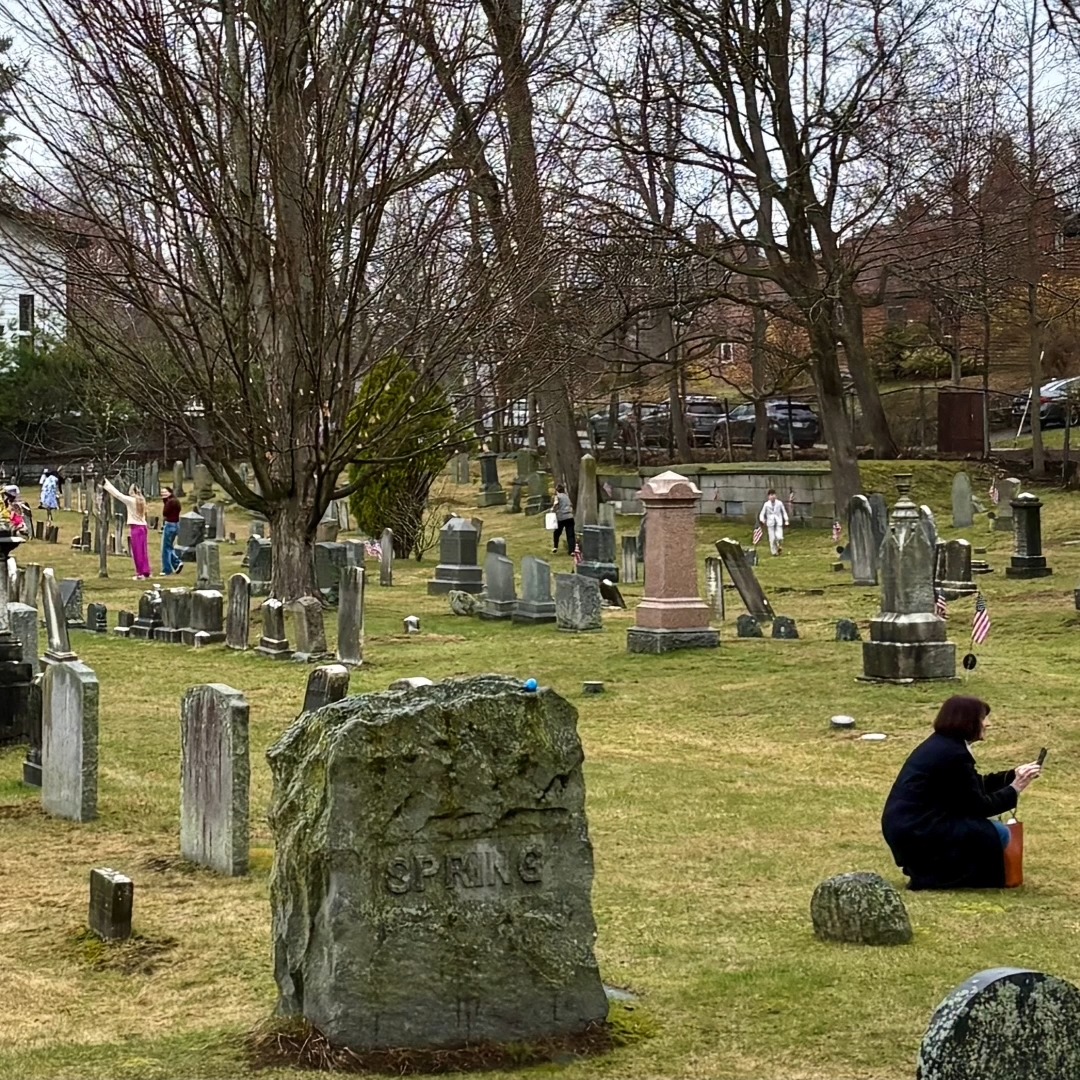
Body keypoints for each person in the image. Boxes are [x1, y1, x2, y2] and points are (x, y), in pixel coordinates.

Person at [881, 696, 1042, 890]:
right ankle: (940, 877)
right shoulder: (953, 753)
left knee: (987, 830)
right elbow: (979, 807)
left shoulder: (944, 746)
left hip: (909, 824)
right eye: (983, 718)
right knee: (998, 833)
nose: (988, 724)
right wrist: (1015, 788)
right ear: (967, 721)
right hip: (919, 829)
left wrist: (1013, 775)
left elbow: (971, 787)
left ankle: (932, 874)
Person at [103, 477, 152, 580]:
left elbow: (118, 495)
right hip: (143, 527)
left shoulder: (131, 500)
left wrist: (106, 484)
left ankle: (140, 573)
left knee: (137, 551)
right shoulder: (141, 500)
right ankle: (146, 571)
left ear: (133, 491)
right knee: (143, 550)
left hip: (136, 528)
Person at [758, 488, 789, 556]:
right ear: (768, 497)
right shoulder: (766, 504)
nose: (772, 497)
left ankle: (779, 546)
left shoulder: (779, 503)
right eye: (771, 495)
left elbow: (784, 512)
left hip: (778, 522)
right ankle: (774, 552)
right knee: (772, 539)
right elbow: (762, 514)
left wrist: (786, 520)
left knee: (779, 537)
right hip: (770, 523)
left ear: (776, 495)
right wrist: (762, 520)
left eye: (773, 495)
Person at [161, 485, 182, 575]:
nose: (163, 494)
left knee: (166, 548)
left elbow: (165, 513)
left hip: (170, 525)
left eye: (165, 492)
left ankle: (167, 569)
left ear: (170, 492)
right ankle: (176, 563)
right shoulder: (176, 501)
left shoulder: (169, 502)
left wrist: (165, 501)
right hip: (176, 525)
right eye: (162, 493)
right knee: (169, 546)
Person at [551, 483, 575, 555]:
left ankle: (555, 547)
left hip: (561, 517)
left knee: (557, 533)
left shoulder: (557, 497)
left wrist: (552, 510)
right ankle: (572, 551)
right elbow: (571, 505)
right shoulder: (567, 496)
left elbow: (556, 504)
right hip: (570, 517)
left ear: (557, 490)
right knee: (570, 534)